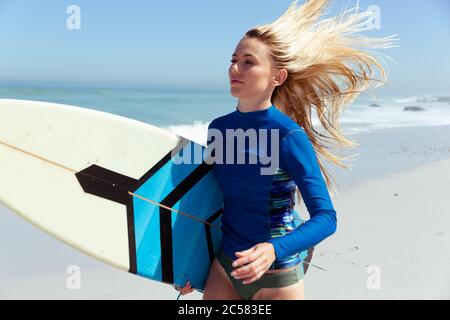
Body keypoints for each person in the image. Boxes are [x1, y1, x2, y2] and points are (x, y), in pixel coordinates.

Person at [175, 0, 397, 300]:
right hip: (224, 269)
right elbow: (210, 201)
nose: (234, 68)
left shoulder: (288, 136)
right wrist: (187, 265)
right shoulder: (219, 129)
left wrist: (272, 250)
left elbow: (326, 218)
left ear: (277, 77)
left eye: (248, 62)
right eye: (233, 59)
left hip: (277, 279)